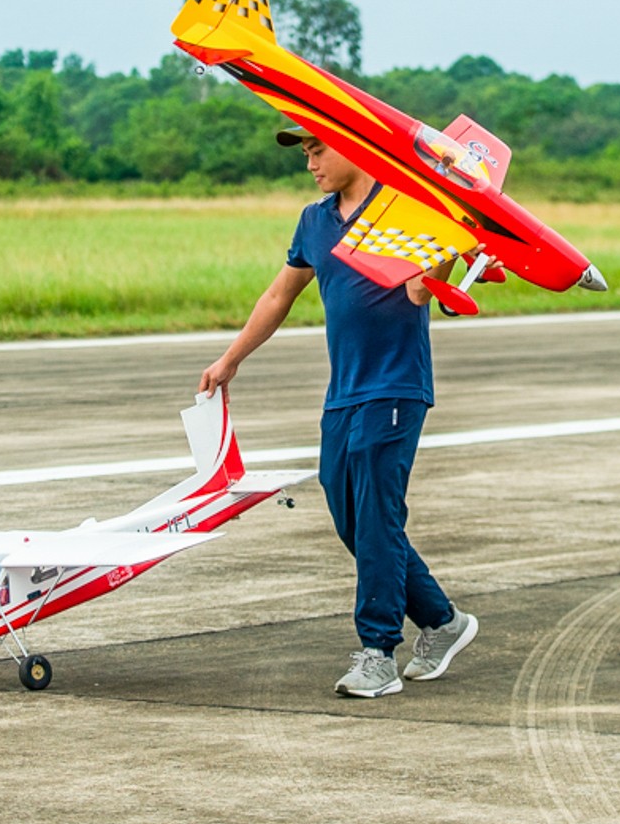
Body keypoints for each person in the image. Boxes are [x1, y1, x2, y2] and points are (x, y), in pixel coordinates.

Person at [200, 126, 478, 698]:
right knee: (352, 517)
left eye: (318, 149)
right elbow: (280, 295)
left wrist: (447, 255)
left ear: (355, 146)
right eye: (304, 153)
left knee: (377, 514)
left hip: (396, 388)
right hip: (343, 392)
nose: (309, 163)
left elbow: (421, 293)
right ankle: (443, 621)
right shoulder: (315, 220)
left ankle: (377, 652)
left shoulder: (405, 212)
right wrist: (232, 358)